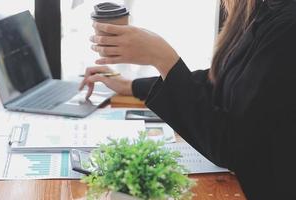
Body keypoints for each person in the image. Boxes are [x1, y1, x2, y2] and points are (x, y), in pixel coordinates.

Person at [79, 0, 296, 199]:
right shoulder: (261, 10)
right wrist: (131, 86)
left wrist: (163, 58)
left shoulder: (288, 26)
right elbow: (223, 81)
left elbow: (231, 147)